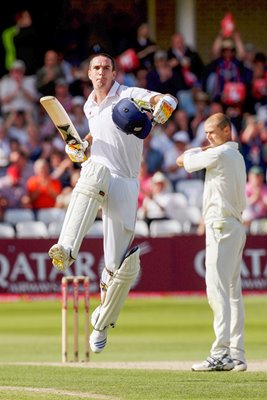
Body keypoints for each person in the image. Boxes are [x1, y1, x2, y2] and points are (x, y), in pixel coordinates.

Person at [48, 53, 177, 354]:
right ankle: (65, 250)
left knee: (121, 266)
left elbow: (162, 98)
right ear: (88, 73)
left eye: (106, 67)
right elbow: (96, 132)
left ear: (114, 72)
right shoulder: (88, 105)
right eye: (96, 68)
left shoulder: (129, 94)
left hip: (127, 182)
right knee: (92, 170)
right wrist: (83, 147)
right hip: (100, 174)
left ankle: (102, 322)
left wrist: (165, 103)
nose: (101, 72)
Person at [176, 113, 247, 372]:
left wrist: (197, 151)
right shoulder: (235, 156)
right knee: (232, 293)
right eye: (205, 132)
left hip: (220, 225)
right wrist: (204, 147)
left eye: (212, 131)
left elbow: (183, 160)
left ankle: (221, 353)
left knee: (217, 291)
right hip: (234, 226)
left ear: (227, 131)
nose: (207, 136)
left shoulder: (220, 155)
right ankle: (237, 354)